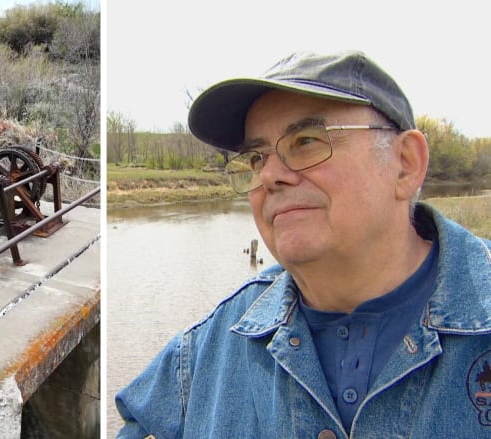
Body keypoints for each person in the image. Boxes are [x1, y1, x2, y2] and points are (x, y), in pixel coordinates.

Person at [114, 50, 491, 438]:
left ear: (406, 163)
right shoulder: (202, 356)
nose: (270, 175)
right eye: (257, 158)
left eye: (306, 141)